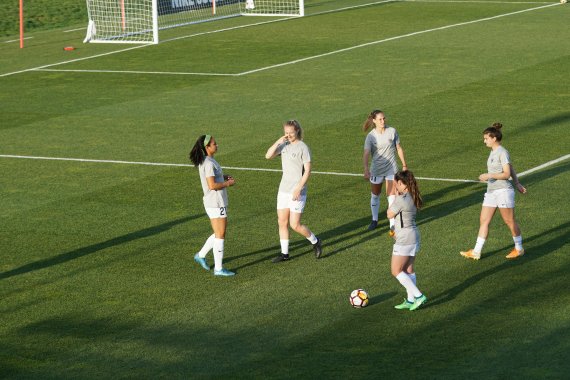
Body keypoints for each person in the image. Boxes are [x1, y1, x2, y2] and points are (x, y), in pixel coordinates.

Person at [460, 122, 527, 261]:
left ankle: (519, 248)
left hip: (503, 191)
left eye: (486, 138)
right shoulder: (493, 152)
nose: (484, 141)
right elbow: (511, 168)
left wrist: (489, 176)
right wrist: (517, 182)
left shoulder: (502, 152)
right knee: (484, 220)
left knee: (509, 221)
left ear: (494, 138)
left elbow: (507, 173)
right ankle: (476, 251)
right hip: (491, 191)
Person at [265, 120, 322, 262]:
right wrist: (279, 140)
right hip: (283, 190)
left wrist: (299, 188)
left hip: (297, 191)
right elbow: (268, 155)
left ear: (297, 131)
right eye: (286, 133)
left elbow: (308, 171)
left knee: (295, 224)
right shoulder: (283, 145)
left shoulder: (303, 147)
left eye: (290, 132)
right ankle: (285, 254)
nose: (288, 135)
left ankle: (315, 241)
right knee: (282, 222)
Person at [189, 134, 236, 276]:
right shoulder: (208, 163)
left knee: (218, 233)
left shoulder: (209, 160)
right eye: (214, 143)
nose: (217, 145)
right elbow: (212, 185)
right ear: (207, 147)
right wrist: (227, 183)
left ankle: (201, 255)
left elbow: (214, 179)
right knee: (220, 234)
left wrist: (223, 176)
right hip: (215, 202)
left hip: (216, 202)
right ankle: (219, 269)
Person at [362, 110, 408, 235]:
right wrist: (366, 169)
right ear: (374, 121)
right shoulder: (371, 136)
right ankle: (374, 220)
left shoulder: (392, 131)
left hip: (391, 168)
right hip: (377, 169)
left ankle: (392, 225)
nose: (383, 121)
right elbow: (366, 153)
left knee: (391, 196)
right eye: (380, 119)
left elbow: (398, 148)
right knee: (375, 195)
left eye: (384, 118)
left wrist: (404, 164)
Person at [387, 170, 427, 311]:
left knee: (396, 271)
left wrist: (395, 196)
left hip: (404, 238)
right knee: (408, 269)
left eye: (396, 183)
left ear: (400, 183)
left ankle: (418, 296)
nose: (395, 186)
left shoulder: (402, 199)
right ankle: (410, 301)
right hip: (413, 236)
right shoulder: (412, 196)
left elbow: (389, 214)